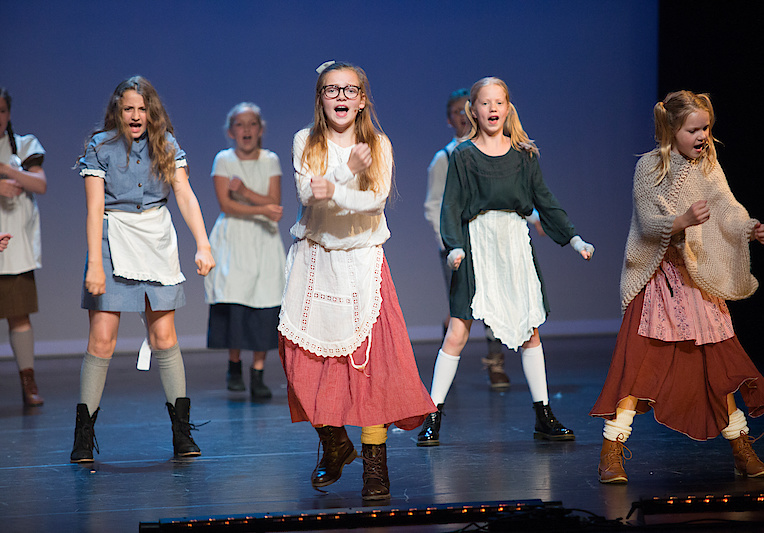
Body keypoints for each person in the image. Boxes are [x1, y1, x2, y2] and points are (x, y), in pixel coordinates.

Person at [590, 91, 764, 484]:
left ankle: (741, 449)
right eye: (693, 130)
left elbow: (727, 208)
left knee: (719, 365)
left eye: (705, 128)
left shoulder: (708, 165)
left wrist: (749, 228)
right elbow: (647, 222)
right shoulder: (650, 167)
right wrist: (682, 221)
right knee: (637, 366)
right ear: (671, 129)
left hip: (698, 279)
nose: (702, 136)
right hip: (658, 279)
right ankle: (611, 451)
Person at [278, 61, 436, 501]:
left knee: (371, 369)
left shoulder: (377, 144)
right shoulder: (305, 141)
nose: (341, 97)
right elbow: (308, 194)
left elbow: (375, 200)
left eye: (350, 90)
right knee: (300, 361)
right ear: (321, 99)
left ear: (362, 99)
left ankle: (374, 465)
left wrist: (336, 186)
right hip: (314, 259)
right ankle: (334, 442)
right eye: (332, 90)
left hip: (362, 262)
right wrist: (344, 171)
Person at [417, 77, 594, 447]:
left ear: (508, 108)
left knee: (530, 329)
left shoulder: (524, 154)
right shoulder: (463, 156)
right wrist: (454, 247)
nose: (492, 109)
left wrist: (573, 238)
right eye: (485, 103)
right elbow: (450, 205)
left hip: (513, 246)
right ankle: (432, 415)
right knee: (458, 330)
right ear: (474, 111)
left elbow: (545, 201)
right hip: (476, 244)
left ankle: (543, 414)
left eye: (499, 102)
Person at [71, 76, 215, 463]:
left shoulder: (166, 145)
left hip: (155, 239)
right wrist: (95, 265)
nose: (135, 116)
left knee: (164, 336)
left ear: (152, 112)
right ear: (117, 112)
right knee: (103, 338)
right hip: (112, 239)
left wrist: (202, 243)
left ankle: (181, 432)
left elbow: (184, 193)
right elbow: (93, 209)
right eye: (128, 109)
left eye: (142, 108)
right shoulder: (100, 147)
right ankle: (83, 435)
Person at [424, 88, 545, 392]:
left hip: (493, 242)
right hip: (458, 244)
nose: (462, 117)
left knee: (498, 302)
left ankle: (495, 363)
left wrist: (536, 218)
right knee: (462, 311)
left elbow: (505, 198)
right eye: (456, 112)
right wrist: (448, 243)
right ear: (450, 119)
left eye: (464, 109)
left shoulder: (497, 151)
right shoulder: (446, 158)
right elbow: (436, 205)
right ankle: (445, 374)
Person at [204, 103, 285, 399]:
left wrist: (246, 193)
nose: (246, 129)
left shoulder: (270, 160)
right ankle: (234, 365)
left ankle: (258, 373)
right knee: (235, 303)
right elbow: (226, 205)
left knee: (265, 303)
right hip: (234, 238)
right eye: (240, 124)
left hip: (263, 240)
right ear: (231, 131)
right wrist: (262, 209)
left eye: (252, 124)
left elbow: (275, 202)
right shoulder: (224, 159)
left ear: (260, 130)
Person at [0, 86, 47, 407]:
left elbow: (40, 183)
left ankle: (28, 381)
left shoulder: (24, 145)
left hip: (15, 245)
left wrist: (7, 170)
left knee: (19, 313)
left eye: (2, 110)